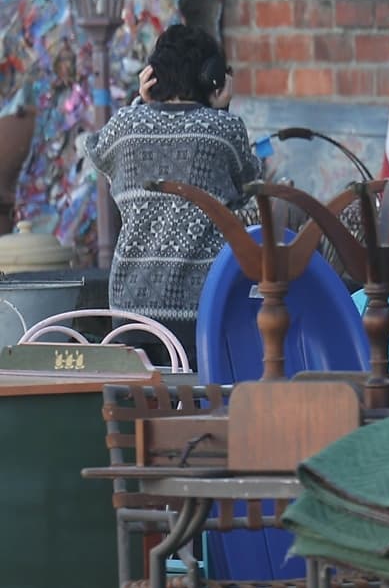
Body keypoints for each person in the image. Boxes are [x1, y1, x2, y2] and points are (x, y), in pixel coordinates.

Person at [82, 23, 261, 366]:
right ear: (212, 78)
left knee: (142, 406)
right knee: (199, 404)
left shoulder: (125, 127)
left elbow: (96, 151)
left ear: (154, 75)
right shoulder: (222, 130)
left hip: (131, 310)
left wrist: (138, 104)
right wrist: (220, 110)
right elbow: (249, 179)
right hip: (203, 309)